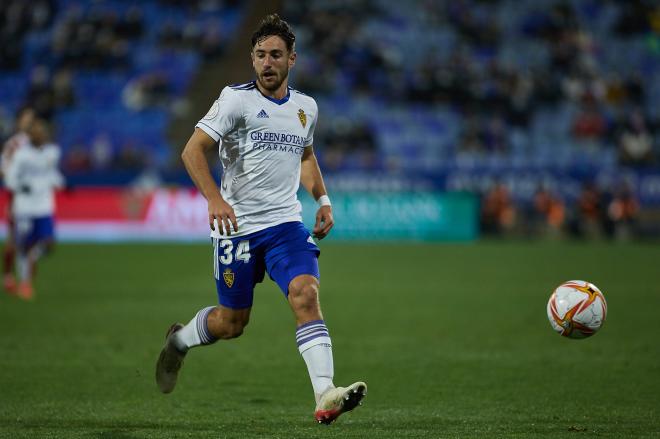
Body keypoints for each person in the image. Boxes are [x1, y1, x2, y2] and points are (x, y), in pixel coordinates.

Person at [155, 14, 367, 424]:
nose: (267, 63)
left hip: (286, 225)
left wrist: (322, 198)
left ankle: (325, 393)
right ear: (252, 60)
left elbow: (305, 155)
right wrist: (215, 199)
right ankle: (179, 341)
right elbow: (192, 151)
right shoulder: (235, 100)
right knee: (232, 323)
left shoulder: (306, 108)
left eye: (275, 55)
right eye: (259, 55)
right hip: (237, 229)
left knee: (306, 294)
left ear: (292, 59)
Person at [3, 117, 64, 299]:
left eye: (42, 132)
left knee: (49, 242)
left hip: (44, 205)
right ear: (31, 136)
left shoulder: (52, 152)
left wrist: (61, 183)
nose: (41, 135)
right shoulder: (21, 155)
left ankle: (31, 261)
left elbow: (51, 173)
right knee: (23, 245)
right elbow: (10, 178)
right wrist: (21, 187)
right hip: (25, 206)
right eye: (37, 132)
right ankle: (25, 283)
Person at [1, 107, 36, 293]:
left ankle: (25, 280)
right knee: (13, 240)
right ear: (19, 121)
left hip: (35, 199)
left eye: (32, 119)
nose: (29, 122)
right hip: (17, 197)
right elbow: (3, 169)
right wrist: (15, 179)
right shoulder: (13, 144)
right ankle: (8, 277)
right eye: (26, 119)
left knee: (31, 240)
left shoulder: (38, 144)